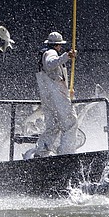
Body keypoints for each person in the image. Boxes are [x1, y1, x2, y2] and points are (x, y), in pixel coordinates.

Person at [24, 31, 78, 159]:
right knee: (70, 123)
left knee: (52, 126)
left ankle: (41, 152)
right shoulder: (51, 53)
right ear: (58, 45)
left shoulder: (44, 53)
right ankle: (67, 154)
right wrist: (67, 56)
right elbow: (50, 64)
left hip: (47, 95)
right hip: (56, 95)